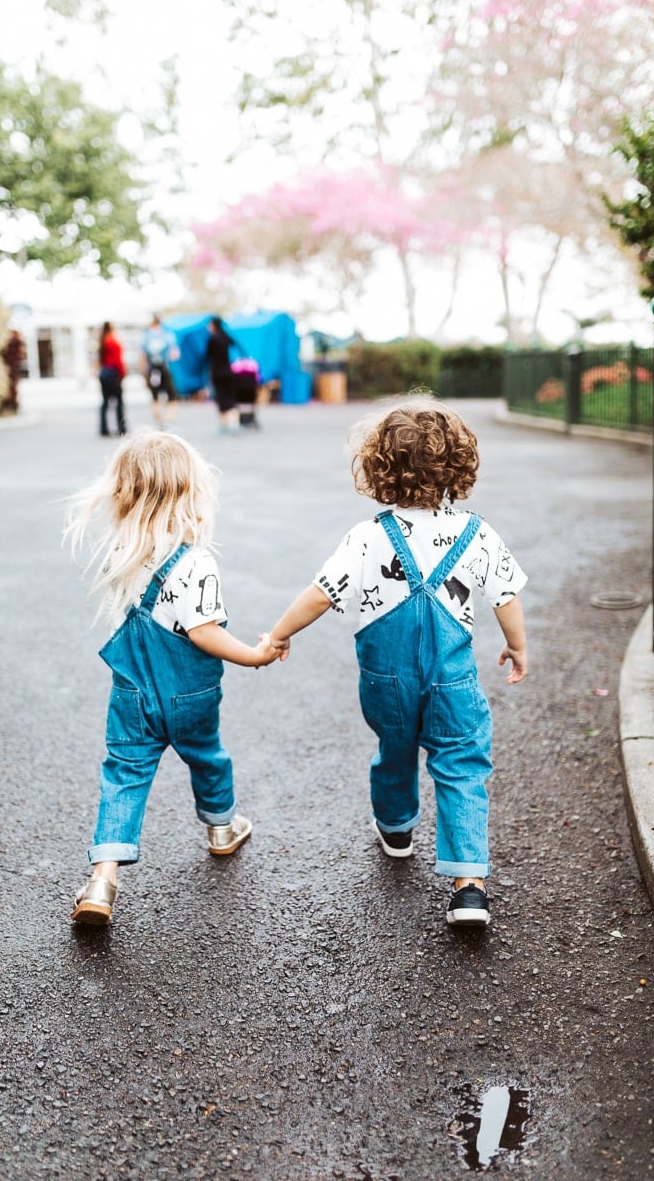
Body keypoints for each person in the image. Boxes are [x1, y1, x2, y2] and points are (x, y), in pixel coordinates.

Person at [264, 398, 528, 928]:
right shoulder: (478, 534)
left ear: (379, 467)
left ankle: (397, 825)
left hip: (385, 681)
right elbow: (506, 596)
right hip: (452, 680)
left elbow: (320, 593)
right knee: (461, 765)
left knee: (395, 748)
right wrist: (517, 645)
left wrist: (278, 634)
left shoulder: (365, 538)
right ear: (458, 466)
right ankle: (468, 886)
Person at [65, 430, 283, 926]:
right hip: (191, 694)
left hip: (133, 694)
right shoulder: (196, 562)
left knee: (123, 777)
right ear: (189, 494)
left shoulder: (125, 552)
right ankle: (222, 830)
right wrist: (252, 655)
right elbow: (204, 632)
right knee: (208, 758)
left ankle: (102, 879)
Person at [141, 314, 180, 430]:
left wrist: (144, 374)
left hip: (152, 369)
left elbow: (142, 356)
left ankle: (159, 423)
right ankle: (168, 421)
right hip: (164, 368)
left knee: (155, 398)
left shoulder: (146, 336)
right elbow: (175, 354)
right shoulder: (167, 335)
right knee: (172, 397)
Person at [206, 316, 241, 434]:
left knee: (220, 398)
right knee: (231, 397)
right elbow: (236, 346)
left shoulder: (212, 339)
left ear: (214, 325)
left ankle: (223, 425)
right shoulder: (226, 337)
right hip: (228, 372)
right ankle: (235, 424)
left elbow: (208, 356)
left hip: (217, 373)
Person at [98, 320, 126, 437]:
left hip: (104, 372)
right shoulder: (112, 341)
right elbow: (117, 360)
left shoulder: (102, 340)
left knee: (105, 402)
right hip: (113, 373)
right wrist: (122, 373)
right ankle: (121, 428)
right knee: (119, 402)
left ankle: (104, 429)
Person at [0, 328, 27, 413]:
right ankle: (11, 404)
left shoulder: (17, 342)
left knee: (13, 387)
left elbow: (21, 355)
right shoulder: (14, 342)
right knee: (10, 387)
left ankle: (13, 405)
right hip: (10, 367)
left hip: (14, 367)